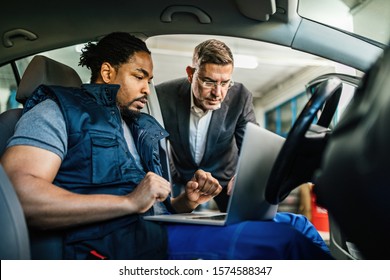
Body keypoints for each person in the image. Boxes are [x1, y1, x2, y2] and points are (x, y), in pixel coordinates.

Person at [1, 32, 331, 260]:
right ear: (107, 71)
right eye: (139, 76)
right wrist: (129, 202)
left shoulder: (138, 125)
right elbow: (19, 196)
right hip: (116, 246)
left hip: (156, 229)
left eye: (150, 78)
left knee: (298, 224)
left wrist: (183, 202)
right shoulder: (56, 110)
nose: (148, 87)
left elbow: (152, 206)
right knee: (286, 243)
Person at [156, 39, 256, 211]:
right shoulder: (163, 96)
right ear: (190, 74)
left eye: (225, 83)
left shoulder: (240, 97)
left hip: (226, 179)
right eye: (209, 82)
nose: (218, 93)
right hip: (183, 177)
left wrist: (245, 174)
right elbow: (154, 145)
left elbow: (252, 145)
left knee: (239, 223)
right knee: (175, 224)